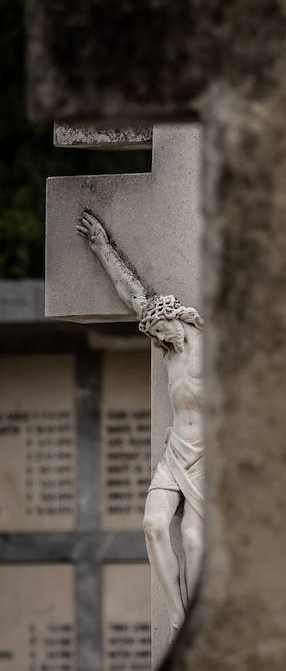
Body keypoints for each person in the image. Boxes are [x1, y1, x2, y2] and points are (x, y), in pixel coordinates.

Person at [77, 210, 204, 631]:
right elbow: (130, 292)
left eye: (162, 329)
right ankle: (177, 617)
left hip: (208, 455)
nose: (160, 339)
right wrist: (101, 247)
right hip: (176, 449)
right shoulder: (168, 347)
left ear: (176, 315)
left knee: (193, 538)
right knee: (152, 525)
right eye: (154, 334)